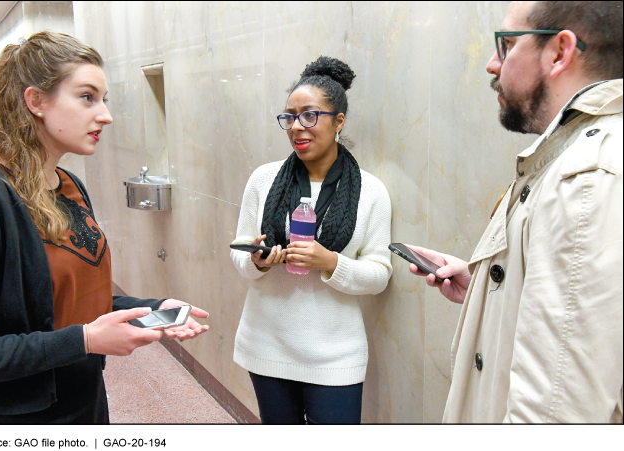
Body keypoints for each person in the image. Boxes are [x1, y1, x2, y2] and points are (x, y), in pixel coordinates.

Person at [0, 31, 210, 424]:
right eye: (87, 97)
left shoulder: (68, 184)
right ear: (35, 101)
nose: (105, 115)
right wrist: (84, 341)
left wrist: (151, 309)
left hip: (84, 399)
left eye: (104, 99)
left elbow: (75, 302)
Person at [407, 1, 622, 423]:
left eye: (505, 45)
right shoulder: (574, 158)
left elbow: (556, 416)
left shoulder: (588, 178)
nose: (491, 64)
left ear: (559, 52)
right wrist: (488, 287)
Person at [230, 56, 392, 424]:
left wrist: (331, 263)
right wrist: (256, 260)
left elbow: (380, 274)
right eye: (289, 116)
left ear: (339, 121)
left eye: (310, 115)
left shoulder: (372, 191)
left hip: (337, 356)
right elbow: (238, 251)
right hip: (266, 345)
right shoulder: (263, 179)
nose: (296, 127)